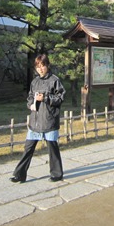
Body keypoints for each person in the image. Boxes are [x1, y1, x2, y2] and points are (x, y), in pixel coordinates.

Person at [10, 54, 66, 183]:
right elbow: (30, 96)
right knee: (28, 148)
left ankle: (57, 174)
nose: (40, 69)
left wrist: (46, 98)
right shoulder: (34, 82)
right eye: (38, 66)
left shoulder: (54, 80)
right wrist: (30, 104)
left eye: (43, 66)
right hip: (35, 120)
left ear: (48, 66)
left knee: (52, 148)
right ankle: (19, 174)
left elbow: (61, 98)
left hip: (49, 119)